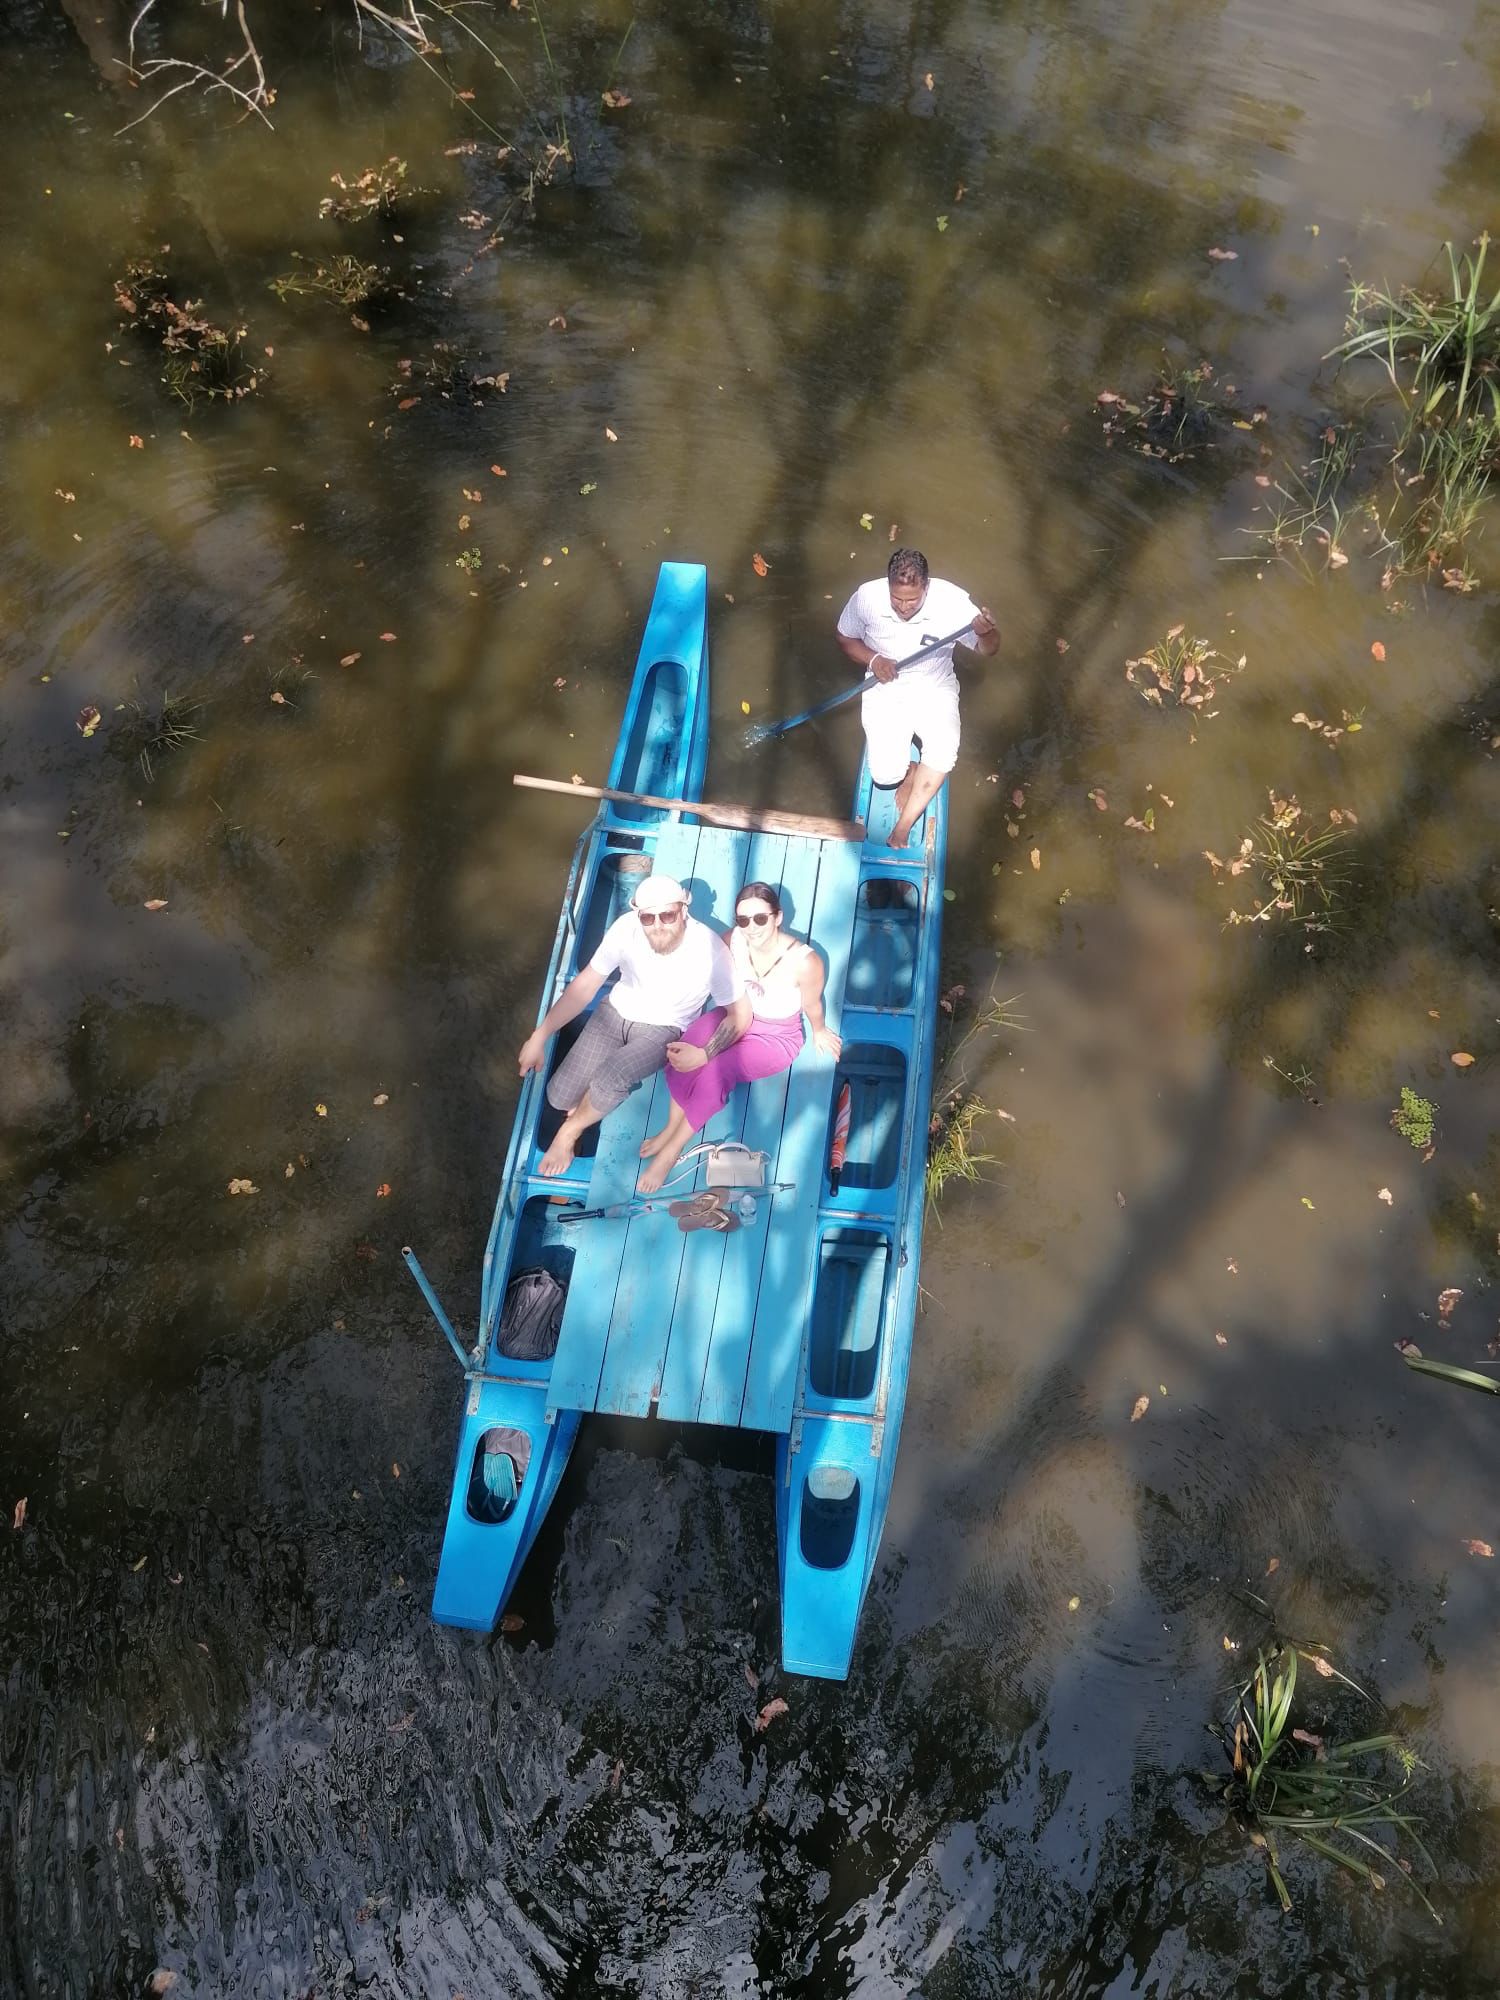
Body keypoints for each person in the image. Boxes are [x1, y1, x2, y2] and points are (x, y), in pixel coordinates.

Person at [518, 874, 750, 1178]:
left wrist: (704, 1054)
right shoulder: (626, 928)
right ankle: (585, 1109)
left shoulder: (710, 950)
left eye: (667, 915)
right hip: (614, 1014)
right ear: (637, 914)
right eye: (648, 917)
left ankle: (570, 1132)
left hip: (663, 1028)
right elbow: (586, 983)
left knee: (609, 1078)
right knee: (558, 1096)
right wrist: (539, 1036)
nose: (657, 925)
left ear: (683, 910)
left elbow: (740, 1014)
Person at [636, 881, 842, 1194]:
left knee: (719, 1070)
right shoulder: (733, 940)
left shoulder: (806, 962)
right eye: (743, 920)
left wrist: (819, 1030)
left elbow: (811, 1004)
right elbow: (704, 967)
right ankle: (669, 1128)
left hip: (776, 1035)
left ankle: (671, 1151)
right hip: (737, 1014)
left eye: (760, 918)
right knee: (685, 1045)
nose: (752, 927)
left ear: (777, 917)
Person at [836, 546, 999, 848]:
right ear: (888, 585)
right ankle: (910, 770)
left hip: (934, 686)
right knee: (885, 777)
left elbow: (988, 650)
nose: (904, 607)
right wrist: (873, 660)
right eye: (897, 598)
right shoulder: (866, 599)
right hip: (883, 687)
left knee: (944, 750)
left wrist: (987, 632)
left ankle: (903, 826)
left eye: (913, 600)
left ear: (927, 587)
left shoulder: (953, 603)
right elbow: (845, 637)